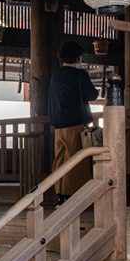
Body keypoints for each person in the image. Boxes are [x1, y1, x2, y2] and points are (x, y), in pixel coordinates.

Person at [47, 41, 100, 205]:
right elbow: (92, 95)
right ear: (78, 57)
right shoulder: (79, 75)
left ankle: (60, 194)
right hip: (76, 124)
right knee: (77, 160)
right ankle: (73, 196)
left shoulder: (56, 75)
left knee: (60, 159)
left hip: (58, 125)